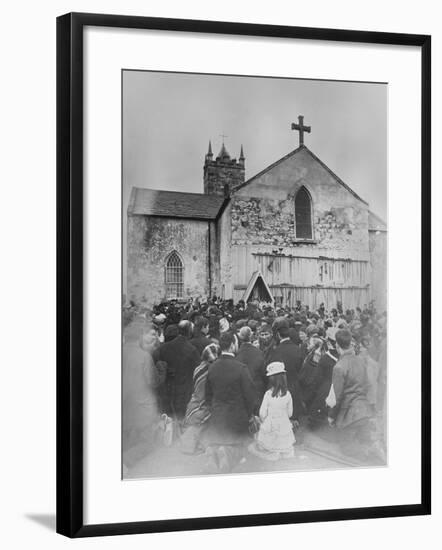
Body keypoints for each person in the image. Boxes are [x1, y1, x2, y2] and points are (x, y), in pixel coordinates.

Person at [204, 331, 256, 472]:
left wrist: (213, 408)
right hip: (237, 416)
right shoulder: (241, 368)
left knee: (221, 438)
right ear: (233, 345)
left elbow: (207, 394)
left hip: (218, 415)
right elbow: (249, 395)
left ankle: (213, 453)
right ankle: (227, 453)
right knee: (238, 446)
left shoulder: (212, 367)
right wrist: (249, 414)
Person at [122, 324, 166, 470]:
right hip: (143, 405)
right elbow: (153, 381)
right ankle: (125, 461)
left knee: (129, 435)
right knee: (148, 442)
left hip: (125, 403)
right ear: (139, 336)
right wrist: (161, 368)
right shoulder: (143, 356)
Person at [328, 329, 376, 460]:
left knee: (346, 448)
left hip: (349, 415)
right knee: (365, 441)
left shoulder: (339, 366)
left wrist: (331, 416)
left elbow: (337, 397)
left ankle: (370, 454)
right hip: (365, 411)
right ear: (350, 343)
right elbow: (367, 384)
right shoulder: (361, 360)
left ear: (337, 346)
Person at [248, 362, 295, 461]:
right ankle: (281, 451)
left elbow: (262, 413)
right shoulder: (288, 394)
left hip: (270, 424)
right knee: (284, 444)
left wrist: (264, 420)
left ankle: (273, 451)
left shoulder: (268, 394)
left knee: (265, 444)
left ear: (271, 380)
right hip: (283, 424)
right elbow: (290, 413)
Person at [180, 343, 221, 454]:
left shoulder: (200, 368)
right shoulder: (204, 370)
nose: (213, 363)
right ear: (205, 359)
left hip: (198, 401)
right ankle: (190, 446)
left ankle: (197, 445)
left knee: (199, 423)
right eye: (211, 361)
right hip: (200, 401)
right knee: (198, 421)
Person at [156, 320, 200, 419]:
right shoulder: (192, 350)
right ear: (190, 332)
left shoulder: (164, 348)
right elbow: (197, 370)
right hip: (184, 391)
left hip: (168, 390)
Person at [266, 319, 305, 421]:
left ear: (278, 335)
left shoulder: (275, 351)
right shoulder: (298, 350)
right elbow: (302, 371)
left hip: (280, 390)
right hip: (295, 389)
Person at [236, 326, 266, 411]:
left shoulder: (237, 353)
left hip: (241, 392)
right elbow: (264, 373)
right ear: (251, 336)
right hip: (257, 391)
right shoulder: (259, 353)